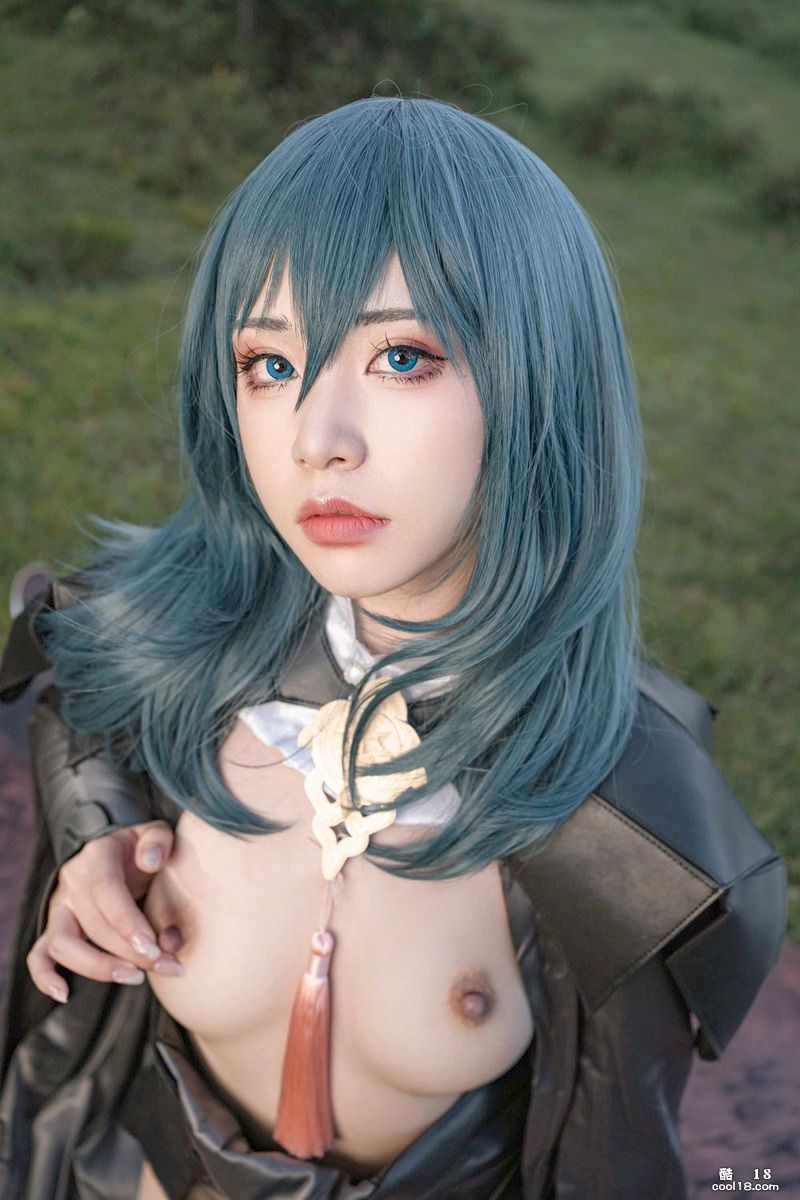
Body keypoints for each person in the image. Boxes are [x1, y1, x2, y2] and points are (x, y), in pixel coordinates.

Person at [0, 95, 787, 1200]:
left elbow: (612, 1160)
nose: (315, 440)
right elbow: (79, 675)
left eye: (403, 356)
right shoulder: (182, 645)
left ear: (540, 380)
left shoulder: (625, 818)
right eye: (270, 365)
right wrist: (97, 832)